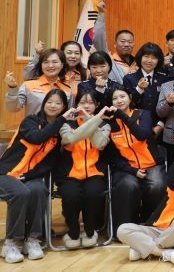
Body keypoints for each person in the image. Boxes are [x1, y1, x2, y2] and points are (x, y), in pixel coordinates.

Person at [0, 89, 72, 263]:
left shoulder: (58, 133)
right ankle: (12, 242)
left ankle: (33, 239)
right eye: (50, 102)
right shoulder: (30, 121)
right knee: (21, 193)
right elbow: (37, 137)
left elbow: (49, 164)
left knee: (39, 190)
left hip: (27, 177)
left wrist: (28, 176)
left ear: (64, 107)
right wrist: (62, 119)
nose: (53, 105)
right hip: (5, 175)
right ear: (44, 103)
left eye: (58, 103)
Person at [106, 86, 166, 232]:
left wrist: (122, 116)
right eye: (115, 98)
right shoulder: (109, 123)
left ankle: (150, 224)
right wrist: (132, 170)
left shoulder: (143, 114)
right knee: (128, 185)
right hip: (126, 168)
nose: (119, 100)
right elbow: (113, 156)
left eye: (122, 96)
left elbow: (142, 135)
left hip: (151, 164)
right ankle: (125, 228)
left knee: (157, 185)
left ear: (130, 98)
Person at [57, 91, 112, 249]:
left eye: (90, 103)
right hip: (70, 173)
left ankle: (90, 230)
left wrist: (89, 119)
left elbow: (100, 143)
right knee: (71, 195)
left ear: (97, 105)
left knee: (94, 193)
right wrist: (92, 121)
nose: (86, 106)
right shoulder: (66, 123)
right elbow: (69, 139)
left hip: (95, 173)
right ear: (76, 105)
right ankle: (73, 231)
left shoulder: (105, 125)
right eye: (82, 102)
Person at [5, 48, 74, 116]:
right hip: (33, 123)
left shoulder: (67, 89)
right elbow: (13, 108)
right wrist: (12, 88)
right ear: (41, 65)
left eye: (55, 62)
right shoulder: (28, 85)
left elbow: (70, 115)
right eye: (46, 62)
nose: (50, 65)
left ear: (62, 65)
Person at [123, 42, 173, 134]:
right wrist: (139, 89)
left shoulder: (163, 78)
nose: (149, 61)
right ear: (140, 58)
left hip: (159, 127)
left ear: (159, 60)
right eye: (146, 56)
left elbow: (167, 105)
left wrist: (160, 125)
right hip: (136, 126)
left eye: (154, 58)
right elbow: (128, 104)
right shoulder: (129, 78)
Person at [93, 0, 136, 84]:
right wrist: (101, 14)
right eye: (122, 41)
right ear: (115, 44)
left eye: (130, 42)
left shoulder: (138, 62)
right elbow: (98, 38)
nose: (126, 44)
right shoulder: (108, 60)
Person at [22, 40, 87, 86]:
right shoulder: (52, 70)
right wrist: (37, 54)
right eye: (69, 53)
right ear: (61, 54)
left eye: (77, 53)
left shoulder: (86, 73)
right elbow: (27, 76)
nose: (73, 56)